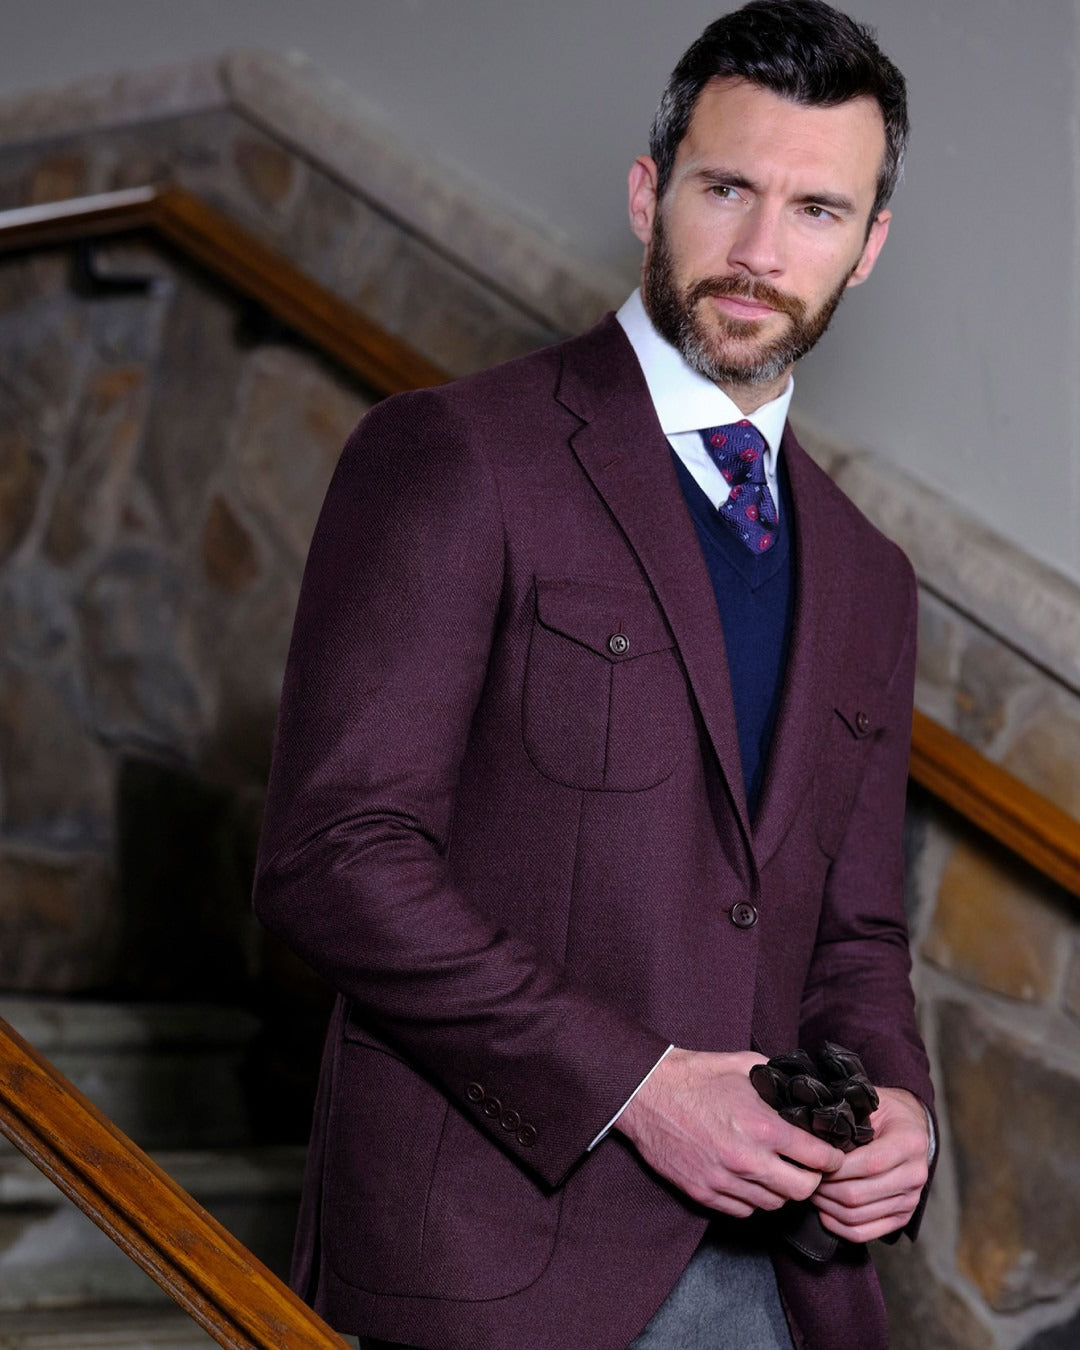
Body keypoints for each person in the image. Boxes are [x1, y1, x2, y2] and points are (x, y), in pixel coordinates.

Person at [253, 2, 935, 1346]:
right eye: (725, 187)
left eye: (814, 209)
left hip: (789, 1283)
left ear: (867, 249)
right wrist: (638, 1085)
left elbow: (854, 939)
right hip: (498, 1268)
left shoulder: (871, 576)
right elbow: (336, 857)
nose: (757, 251)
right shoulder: (456, 455)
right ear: (648, 192)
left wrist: (902, 1113)